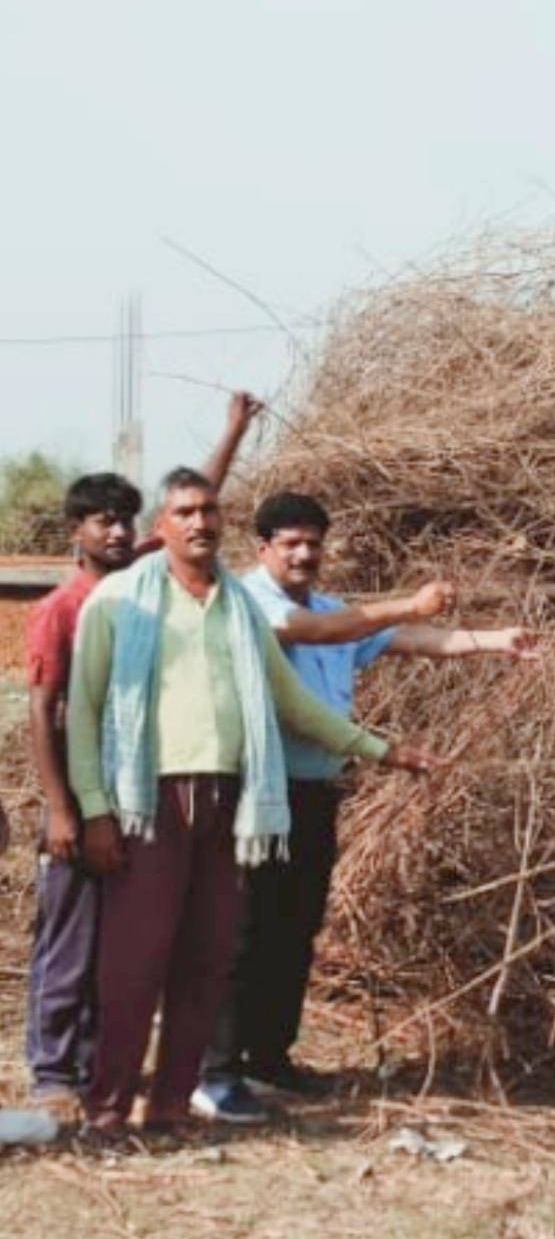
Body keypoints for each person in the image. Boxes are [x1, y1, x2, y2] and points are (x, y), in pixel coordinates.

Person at [66, 468, 442, 1138]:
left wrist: (383, 749)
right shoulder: (120, 602)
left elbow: (294, 703)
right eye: (184, 511)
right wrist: (93, 809)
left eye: (209, 510)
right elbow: (85, 712)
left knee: (206, 958)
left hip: (229, 803)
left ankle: (174, 1107)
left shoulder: (240, 608)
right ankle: (106, 1111)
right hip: (146, 801)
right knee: (134, 961)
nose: (199, 522)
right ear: (163, 526)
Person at [192, 490, 538, 1121]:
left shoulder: (332, 608)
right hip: (257, 792)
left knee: (294, 929)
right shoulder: (247, 601)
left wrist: (493, 639)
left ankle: (269, 1058)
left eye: (313, 543)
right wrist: (406, 600)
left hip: (316, 791)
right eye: (290, 543)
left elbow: (404, 639)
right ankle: (216, 1070)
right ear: (262, 548)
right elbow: (322, 631)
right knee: (242, 928)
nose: (303, 554)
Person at [23, 392, 262, 1112]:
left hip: (131, 803)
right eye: (105, 521)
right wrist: (62, 808)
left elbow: (192, 507)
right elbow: (47, 708)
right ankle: (54, 1072)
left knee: (118, 947)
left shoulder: (141, 590)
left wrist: (233, 432)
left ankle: (104, 1067)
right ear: (76, 532)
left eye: (128, 520)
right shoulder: (66, 606)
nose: (121, 532)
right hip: (80, 801)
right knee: (67, 942)